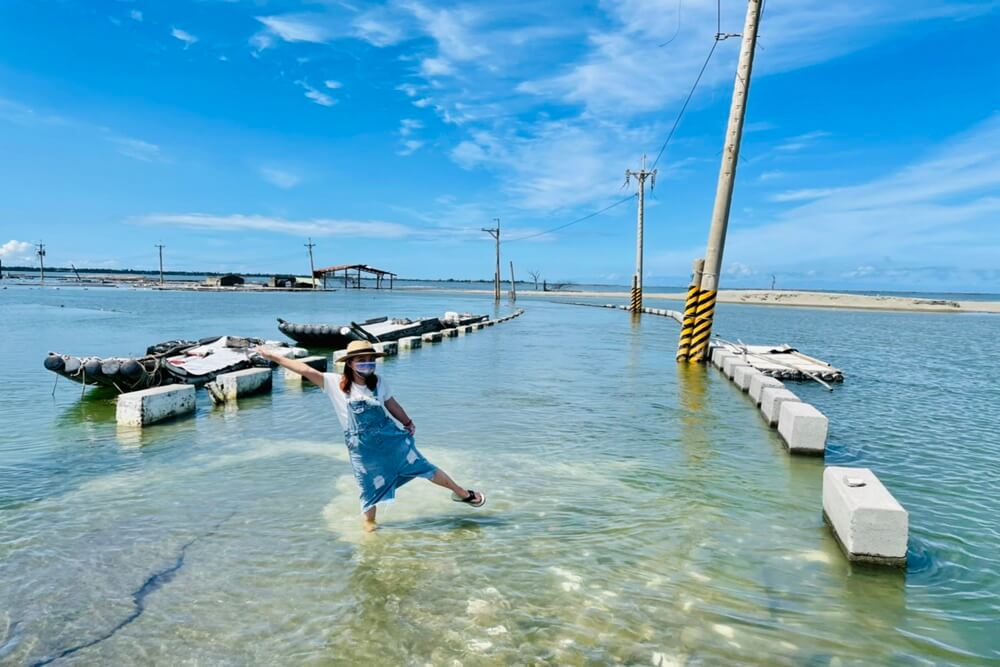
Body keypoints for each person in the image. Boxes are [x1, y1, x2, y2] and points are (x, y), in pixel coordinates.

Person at [254, 340, 485, 532]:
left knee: (424, 466)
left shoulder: (379, 383)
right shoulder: (334, 383)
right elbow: (304, 370)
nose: (367, 364)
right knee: (367, 486)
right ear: (350, 363)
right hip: (361, 447)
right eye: (361, 360)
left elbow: (392, 404)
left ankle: (462, 494)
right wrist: (272, 356)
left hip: (390, 438)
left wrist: (407, 421)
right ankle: (369, 527)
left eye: (370, 360)